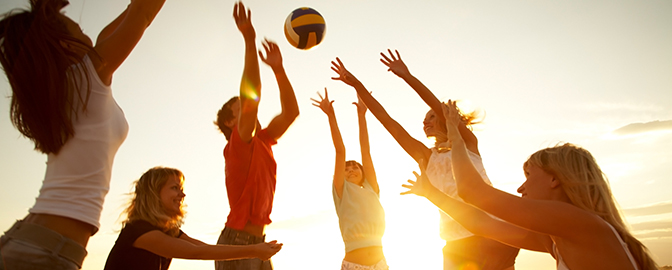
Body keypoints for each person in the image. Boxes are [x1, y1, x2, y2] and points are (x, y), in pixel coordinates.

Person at [0, 0, 166, 268]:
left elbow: (132, 14)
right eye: (78, 28)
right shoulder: (87, 78)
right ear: (67, 44)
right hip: (48, 251)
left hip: (36, 241)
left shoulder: (67, 89)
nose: (86, 32)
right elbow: (143, 12)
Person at [402, 101, 659, 270]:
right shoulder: (558, 237)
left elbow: (473, 192)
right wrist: (431, 193)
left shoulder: (578, 221)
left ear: (554, 179)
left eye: (529, 175)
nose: (521, 188)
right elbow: (478, 222)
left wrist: (456, 137)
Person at [331, 52, 520, 270]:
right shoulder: (425, 156)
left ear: (446, 117)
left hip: (490, 233)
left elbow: (437, 105)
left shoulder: (468, 144)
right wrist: (357, 85)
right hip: (455, 243)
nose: (425, 120)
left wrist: (407, 77)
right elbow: (387, 121)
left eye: (432, 116)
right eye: (425, 117)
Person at [212, 2, 299, 270]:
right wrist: (249, 40)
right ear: (230, 121)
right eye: (241, 108)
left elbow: (291, 112)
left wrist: (279, 69)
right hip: (238, 244)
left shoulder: (263, 140)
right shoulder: (238, 144)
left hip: (256, 243)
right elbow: (252, 99)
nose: (250, 110)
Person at [103, 167, 282, 270]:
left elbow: (202, 247)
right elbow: (196, 253)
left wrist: (256, 249)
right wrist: (254, 251)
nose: (182, 194)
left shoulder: (168, 231)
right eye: (175, 188)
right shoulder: (140, 231)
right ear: (153, 193)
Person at [311, 89, 388, 270]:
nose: (351, 169)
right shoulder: (341, 191)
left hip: (380, 263)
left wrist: (362, 115)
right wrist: (331, 115)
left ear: (362, 173)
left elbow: (365, 150)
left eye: (355, 167)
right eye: (346, 168)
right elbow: (340, 151)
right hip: (354, 265)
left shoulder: (372, 188)